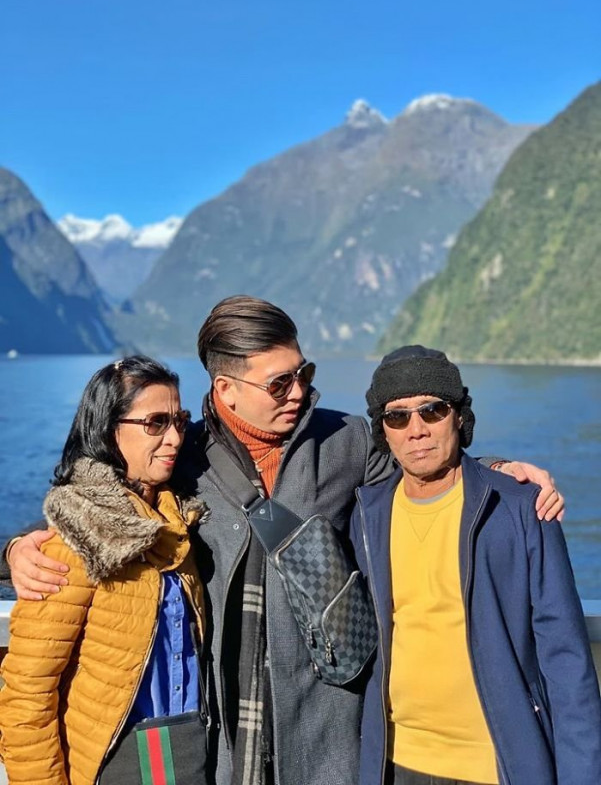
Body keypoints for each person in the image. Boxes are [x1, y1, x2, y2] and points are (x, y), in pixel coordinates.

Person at [0, 297, 565, 785]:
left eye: (303, 373)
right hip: (225, 736)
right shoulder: (181, 455)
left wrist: (497, 472)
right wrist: (14, 550)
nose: (299, 393)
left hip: (328, 725)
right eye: (278, 383)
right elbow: (96, 510)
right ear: (226, 388)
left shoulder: (345, 441)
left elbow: (424, 470)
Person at [350, 345, 601, 785]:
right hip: (394, 763)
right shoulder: (366, 516)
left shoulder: (521, 509)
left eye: (432, 410)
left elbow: (566, 661)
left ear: (459, 417)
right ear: (382, 431)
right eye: (397, 417)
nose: (416, 430)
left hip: (496, 766)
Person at [0, 356, 208, 785]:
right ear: (109, 430)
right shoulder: (78, 535)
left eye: (180, 421)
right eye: (155, 423)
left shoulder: (178, 525)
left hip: (189, 752)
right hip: (114, 762)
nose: (174, 438)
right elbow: (27, 696)